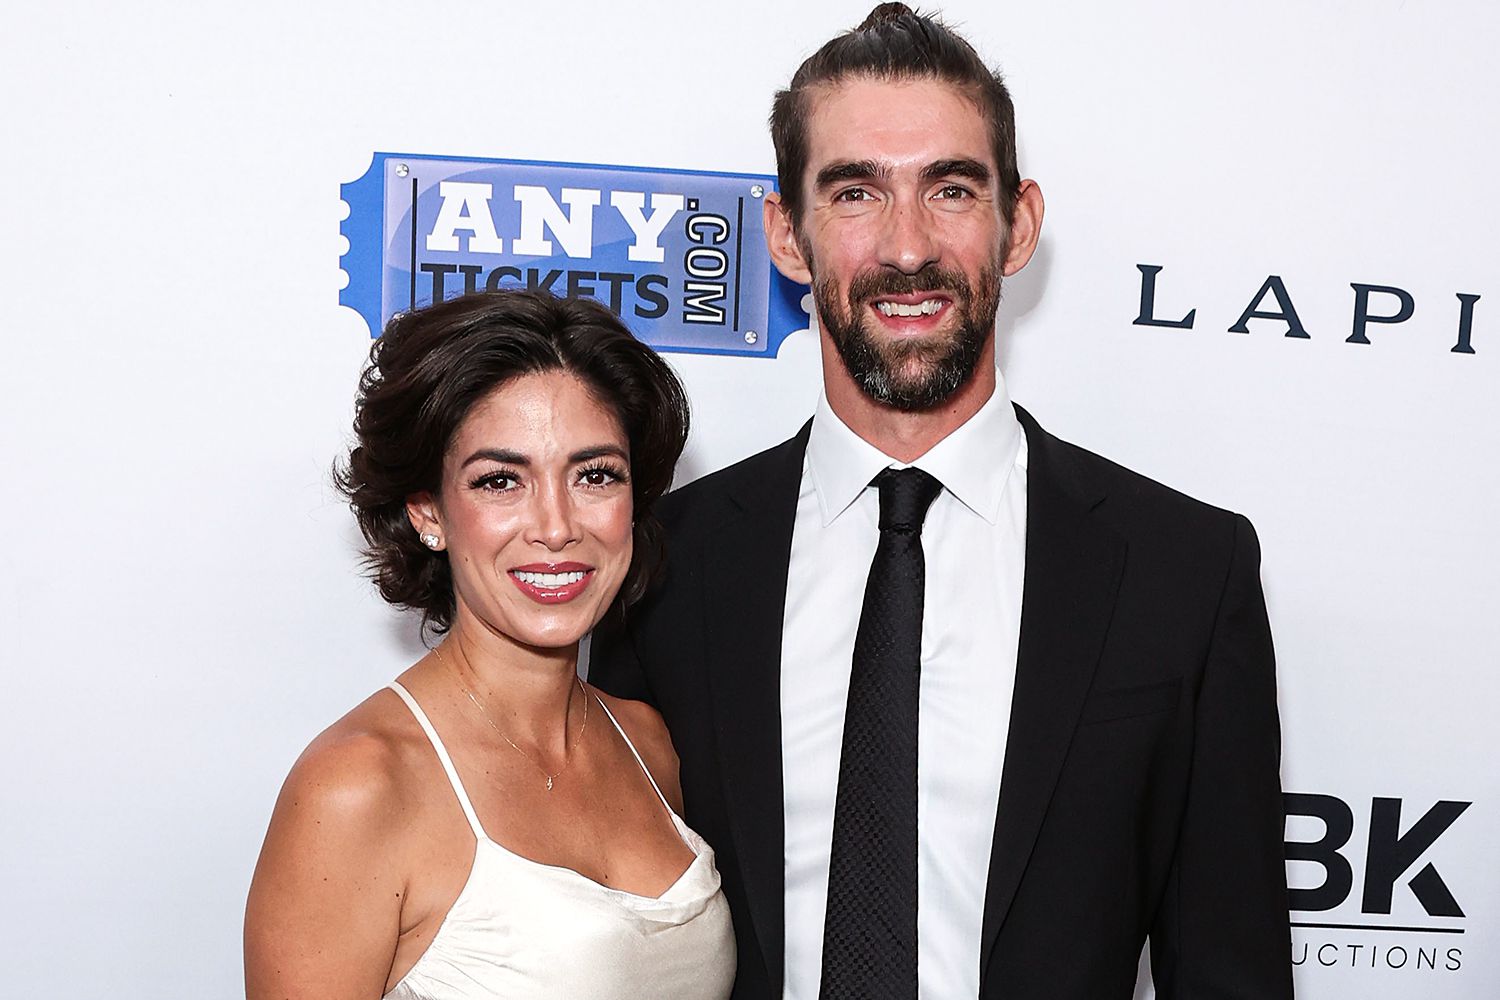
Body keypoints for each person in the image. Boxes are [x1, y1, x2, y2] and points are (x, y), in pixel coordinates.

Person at [588, 5, 1292, 999]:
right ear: (786, 233)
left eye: (951, 189)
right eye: (856, 193)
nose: (907, 247)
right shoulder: (665, 566)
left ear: (1020, 223)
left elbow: (1231, 968)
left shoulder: (1182, 569)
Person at [244, 290, 735, 999]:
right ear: (428, 512)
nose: (556, 525)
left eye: (595, 475)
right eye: (501, 481)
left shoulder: (647, 741)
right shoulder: (358, 787)